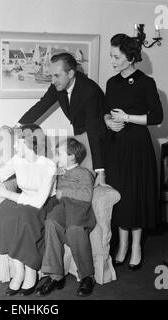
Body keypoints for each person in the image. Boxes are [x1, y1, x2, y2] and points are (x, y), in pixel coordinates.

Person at [104, 33, 163, 270]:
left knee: (135, 194)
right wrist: (109, 121)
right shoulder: (111, 82)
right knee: (120, 193)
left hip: (138, 145)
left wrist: (127, 118)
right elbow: (106, 112)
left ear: (130, 57)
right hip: (116, 145)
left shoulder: (146, 83)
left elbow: (157, 117)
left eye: (116, 56)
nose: (113, 61)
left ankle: (136, 246)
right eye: (111, 56)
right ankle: (122, 245)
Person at [0, 124, 56, 296]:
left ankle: (30, 272)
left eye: (19, 143)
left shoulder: (48, 166)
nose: (15, 146)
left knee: (22, 218)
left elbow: (38, 202)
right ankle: (18, 270)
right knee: (5, 211)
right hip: (22, 200)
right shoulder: (17, 159)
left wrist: (6, 193)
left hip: (42, 205)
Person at [14, 52, 107, 186]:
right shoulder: (57, 86)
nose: (53, 80)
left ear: (70, 74)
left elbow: (94, 130)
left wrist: (100, 172)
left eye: (56, 75)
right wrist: (17, 126)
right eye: (51, 75)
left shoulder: (90, 91)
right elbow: (41, 106)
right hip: (81, 135)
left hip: (100, 139)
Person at [34, 137, 96, 297]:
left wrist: (65, 192)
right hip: (62, 208)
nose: (55, 156)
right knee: (51, 222)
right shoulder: (58, 172)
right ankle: (55, 277)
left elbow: (86, 195)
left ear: (71, 156)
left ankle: (87, 277)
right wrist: (52, 171)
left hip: (79, 208)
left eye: (58, 153)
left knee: (75, 229)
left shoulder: (84, 173)